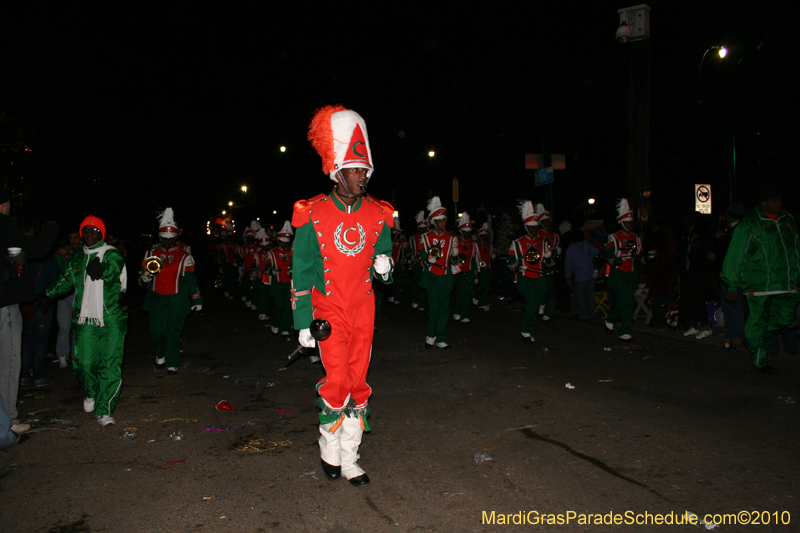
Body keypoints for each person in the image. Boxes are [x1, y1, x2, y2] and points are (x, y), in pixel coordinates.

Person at [292, 105, 394, 487]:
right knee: (336, 380)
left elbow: (383, 254)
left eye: (365, 170)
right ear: (337, 172)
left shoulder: (378, 213)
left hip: (363, 308)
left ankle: (350, 457)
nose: (361, 177)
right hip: (328, 308)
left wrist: (385, 266)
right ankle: (328, 448)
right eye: (354, 170)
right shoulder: (312, 213)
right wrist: (302, 321)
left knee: (358, 379)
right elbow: (300, 271)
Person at [45, 216, 127, 426]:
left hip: (110, 319)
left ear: (102, 234)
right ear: (81, 234)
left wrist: (103, 271)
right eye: (86, 231)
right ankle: (90, 392)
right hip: (84, 319)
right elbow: (64, 282)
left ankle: (105, 409)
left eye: (95, 231)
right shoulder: (77, 259)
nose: (90, 234)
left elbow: (114, 270)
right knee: (84, 364)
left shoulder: (111, 254)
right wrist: (44, 296)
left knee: (110, 364)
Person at [721, 186, 800, 374]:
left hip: (786, 282)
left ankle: (753, 337)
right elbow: (734, 255)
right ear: (763, 203)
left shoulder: (788, 221)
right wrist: (732, 284)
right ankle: (760, 361)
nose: (779, 202)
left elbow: (796, 249)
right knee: (759, 320)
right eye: (774, 200)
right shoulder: (750, 223)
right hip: (760, 284)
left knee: (789, 316)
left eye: (780, 199)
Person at [0, 185, 59, 434]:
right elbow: (37, 249)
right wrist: (53, 225)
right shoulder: (3, 225)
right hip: (4, 303)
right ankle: (9, 420)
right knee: (9, 361)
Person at [139, 208, 202, 375]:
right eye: (165, 239)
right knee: (156, 331)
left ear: (176, 237)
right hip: (156, 298)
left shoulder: (184, 255)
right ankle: (160, 353)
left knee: (174, 333)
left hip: (178, 298)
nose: (167, 242)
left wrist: (196, 298)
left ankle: (172, 362)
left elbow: (190, 279)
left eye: (171, 238)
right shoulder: (151, 253)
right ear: (160, 237)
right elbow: (141, 279)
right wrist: (144, 279)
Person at [604, 199, 652, 341]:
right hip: (618, 274)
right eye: (627, 222)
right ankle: (610, 318)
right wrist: (616, 260)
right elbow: (607, 258)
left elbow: (638, 259)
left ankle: (624, 331)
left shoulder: (636, 238)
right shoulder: (613, 237)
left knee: (630, 302)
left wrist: (647, 258)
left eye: (631, 222)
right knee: (624, 300)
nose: (630, 224)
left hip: (630, 274)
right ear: (621, 222)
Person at [507, 201, 554, 343]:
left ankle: (529, 330)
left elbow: (548, 265)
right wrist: (518, 266)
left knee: (536, 304)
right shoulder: (516, 243)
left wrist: (548, 259)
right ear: (525, 226)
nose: (533, 229)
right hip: (525, 278)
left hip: (540, 278)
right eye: (530, 226)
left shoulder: (544, 243)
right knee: (532, 304)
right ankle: (526, 330)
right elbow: (510, 263)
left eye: (535, 226)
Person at [419, 196, 457, 348]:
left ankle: (441, 337)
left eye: (444, 220)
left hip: (445, 276)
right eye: (440, 221)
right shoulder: (425, 238)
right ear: (434, 222)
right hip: (431, 276)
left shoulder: (451, 238)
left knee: (445, 308)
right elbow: (421, 259)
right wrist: (428, 260)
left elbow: (454, 262)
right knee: (434, 307)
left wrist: (455, 255)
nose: (443, 223)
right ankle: (431, 334)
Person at [20, 250, 59, 387]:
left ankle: (23, 376)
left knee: (26, 341)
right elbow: (55, 284)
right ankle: (39, 376)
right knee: (41, 343)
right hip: (42, 306)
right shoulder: (49, 262)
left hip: (26, 306)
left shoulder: (25, 261)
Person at [714, 202, 746, 349]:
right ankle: (729, 336)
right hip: (726, 275)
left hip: (734, 276)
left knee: (734, 307)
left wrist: (721, 240)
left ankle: (738, 337)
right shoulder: (730, 230)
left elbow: (734, 255)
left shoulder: (740, 230)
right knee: (727, 307)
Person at [53, 231, 82, 368]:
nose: (73, 240)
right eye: (70, 237)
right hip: (65, 295)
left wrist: (70, 252)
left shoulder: (84, 250)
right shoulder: (62, 251)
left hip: (80, 294)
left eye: (75, 237)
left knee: (78, 325)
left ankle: (76, 354)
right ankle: (62, 355)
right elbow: (60, 269)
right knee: (64, 326)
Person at [565, 220, 603, 320]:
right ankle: (590, 313)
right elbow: (597, 253)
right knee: (590, 294)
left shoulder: (570, 249)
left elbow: (568, 264)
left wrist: (568, 277)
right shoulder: (587, 244)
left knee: (580, 295)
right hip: (590, 274)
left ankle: (583, 314)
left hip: (580, 276)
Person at [535, 204, 560, 321]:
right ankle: (540, 306)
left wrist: (557, 251)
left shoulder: (555, 235)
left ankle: (546, 312)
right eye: (544, 220)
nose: (547, 222)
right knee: (543, 288)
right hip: (540, 265)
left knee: (550, 289)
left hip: (551, 264)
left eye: (548, 220)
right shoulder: (537, 234)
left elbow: (555, 248)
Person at [269, 221, 294, 336]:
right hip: (277, 283)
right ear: (278, 241)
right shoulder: (272, 253)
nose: (284, 245)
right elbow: (265, 268)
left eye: (286, 243)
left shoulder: (292, 252)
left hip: (289, 283)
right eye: (282, 242)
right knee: (278, 305)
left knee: (288, 306)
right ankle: (275, 324)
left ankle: (285, 327)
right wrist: (271, 271)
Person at [452, 212, 477, 323]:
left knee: (468, 293)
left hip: (470, 271)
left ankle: (465, 313)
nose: (467, 234)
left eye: (469, 232)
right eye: (465, 232)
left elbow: (475, 259)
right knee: (461, 293)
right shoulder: (455, 241)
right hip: (458, 271)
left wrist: (476, 273)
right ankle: (457, 311)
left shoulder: (474, 243)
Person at [409, 211, 428, 311]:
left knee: (424, 284)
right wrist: (412, 257)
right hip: (417, 264)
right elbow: (410, 251)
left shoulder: (428, 238)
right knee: (417, 283)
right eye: (421, 228)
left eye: (425, 228)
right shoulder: (413, 238)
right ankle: (415, 301)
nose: (423, 230)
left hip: (426, 264)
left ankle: (421, 303)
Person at [473, 222, 494, 311]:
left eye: (486, 235)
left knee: (487, 286)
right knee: (481, 285)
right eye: (483, 235)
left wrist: (493, 256)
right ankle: (477, 297)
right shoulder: (476, 245)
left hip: (488, 268)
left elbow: (491, 257)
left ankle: (482, 302)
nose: (485, 237)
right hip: (480, 268)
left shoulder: (490, 246)